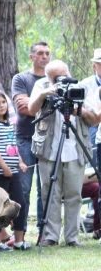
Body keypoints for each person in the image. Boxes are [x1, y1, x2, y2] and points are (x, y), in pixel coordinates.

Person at [28, 60, 99, 247]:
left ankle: (72, 237)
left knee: (74, 194)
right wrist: (45, 94)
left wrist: (78, 109)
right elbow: (31, 109)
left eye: (64, 76)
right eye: (56, 79)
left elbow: (93, 120)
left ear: (69, 73)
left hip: (75, 149)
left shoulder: (80, 87)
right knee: (50, 193)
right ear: (48, 78)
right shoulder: (41, 86)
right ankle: (51, 235)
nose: (61, 82)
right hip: (48, 150)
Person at [0, 91, 30, 250]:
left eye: (3, 102)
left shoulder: (9, 123)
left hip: (13, 171)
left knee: (19, 203)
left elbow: (12, 146)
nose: (1, 105)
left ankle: (19, 240)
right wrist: (4, 167)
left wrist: (20, 162)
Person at [11, 41, 49, 232]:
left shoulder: (54, 79)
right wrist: (49, 107)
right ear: (31, 57)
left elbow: (31, 106)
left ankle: (44, 232)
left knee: (46, 188)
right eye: (40, 53)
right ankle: (20, 232)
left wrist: (34, 104)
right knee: (23, 189)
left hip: (49, 139)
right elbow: (23, 108)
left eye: (47, 53)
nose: (44, 56)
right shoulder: (21, 79)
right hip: (25, 138)